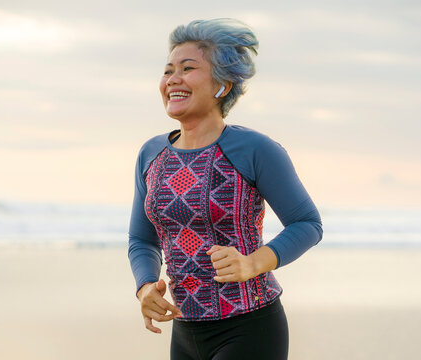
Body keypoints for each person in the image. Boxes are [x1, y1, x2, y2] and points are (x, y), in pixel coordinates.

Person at [128, 18, 323, 360]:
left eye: (188, 68)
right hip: (185, 332)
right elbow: (142, 239)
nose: (173, 79)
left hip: (250, 328)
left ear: (223, 84)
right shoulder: (151, 154)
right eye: (168, 70)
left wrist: (254, 263)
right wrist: (145, 286)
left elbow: (307, 223)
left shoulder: (255, 149)